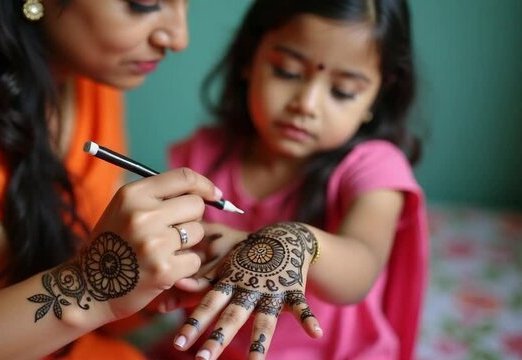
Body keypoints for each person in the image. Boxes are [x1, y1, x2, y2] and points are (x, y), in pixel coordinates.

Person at [0, 0, 226, 358]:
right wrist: (86, 288)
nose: (179, 39)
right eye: (144, 4)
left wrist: (166, 275)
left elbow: (101, 300)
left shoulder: (90, 67)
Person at [150, 0, 428, 359]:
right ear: (250, 58)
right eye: (287, 71)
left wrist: (292, 242)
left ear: (379, 94)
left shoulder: (373, 167)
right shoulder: (200, 156)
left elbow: (361, 266)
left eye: (342, 91)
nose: (307, 103)